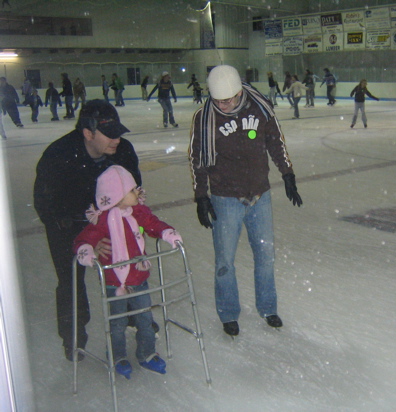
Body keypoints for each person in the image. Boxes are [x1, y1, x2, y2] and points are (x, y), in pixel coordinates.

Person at [188, 65, 303, 337]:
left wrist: (287, 174)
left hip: (260, 196)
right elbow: (197, 160)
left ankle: (268, 307)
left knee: (265, 256)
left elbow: (275, 141)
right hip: (225, 199)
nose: (224, 105)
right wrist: (201, 197)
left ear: (240, 92)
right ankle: (228, 313)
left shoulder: (259, 107)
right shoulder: (204, 119)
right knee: (224, 261)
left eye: (229, 99)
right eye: (218, 101)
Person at [33, 99, 142, 361]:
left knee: (128, 262)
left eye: (118, 131)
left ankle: (134, 314)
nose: (117, 139)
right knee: (70, 279)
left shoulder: (123, 151)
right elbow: (46, 207)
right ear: (88, 133)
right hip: (66, 224)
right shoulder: (58, 156)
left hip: (108, 219)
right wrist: (84, 241)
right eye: (110, 133)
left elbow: (133, 193)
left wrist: (113, 229)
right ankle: (74, 336)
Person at [74, 165, 182, 378]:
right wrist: (86, 250)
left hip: (139, 277)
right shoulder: (102, 220)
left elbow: (153, 224)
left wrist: (167, 233)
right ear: (117, 196)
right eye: (132, 190)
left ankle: (147, 353)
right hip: (114, 282)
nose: (138, 193)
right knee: (117, 322)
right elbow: (84, 239)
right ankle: (117, 357)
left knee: (144, 318)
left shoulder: (138, 212)